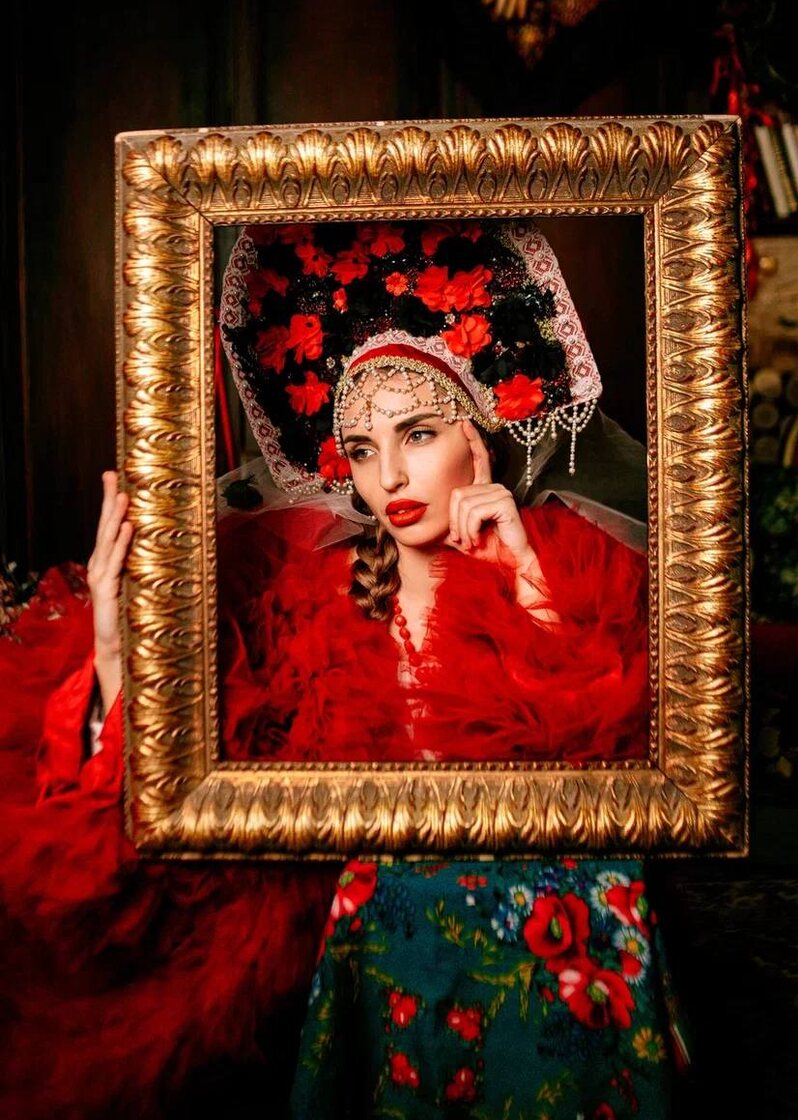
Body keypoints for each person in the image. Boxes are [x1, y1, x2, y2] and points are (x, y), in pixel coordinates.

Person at [0, 218, 686, 1119]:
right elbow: (182, 802)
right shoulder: (304, 596)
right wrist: (116, 642)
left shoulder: (564, 561)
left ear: (479, 435)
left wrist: (523, 580)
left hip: (524, 944)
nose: (388, 476)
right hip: (349, 941)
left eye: (419, 434)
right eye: (361, 449)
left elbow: (616, 775)